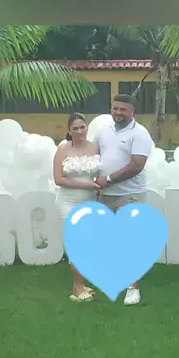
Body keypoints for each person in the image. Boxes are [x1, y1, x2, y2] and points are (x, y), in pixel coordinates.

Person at [96, 94, 155, 306]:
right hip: (106, 195)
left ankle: (133, 289)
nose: (118, 113)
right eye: (115, 108)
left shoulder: (140, 133)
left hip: (130, 194)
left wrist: (108, 179)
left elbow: (137, 165)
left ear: (132, 112)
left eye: (123, 109)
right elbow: (95, 157)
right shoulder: (104, 131)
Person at [53, 112, 101, 302]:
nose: (80, 131)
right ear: (69, 130)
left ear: (87, 127)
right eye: (75, 128)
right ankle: (78, 288)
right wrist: (84, 184)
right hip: (68, 202)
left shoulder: (96, 147)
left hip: (90, 203)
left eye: (82, 127)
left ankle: (81, 282)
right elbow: (58, 179)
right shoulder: (63, 149)